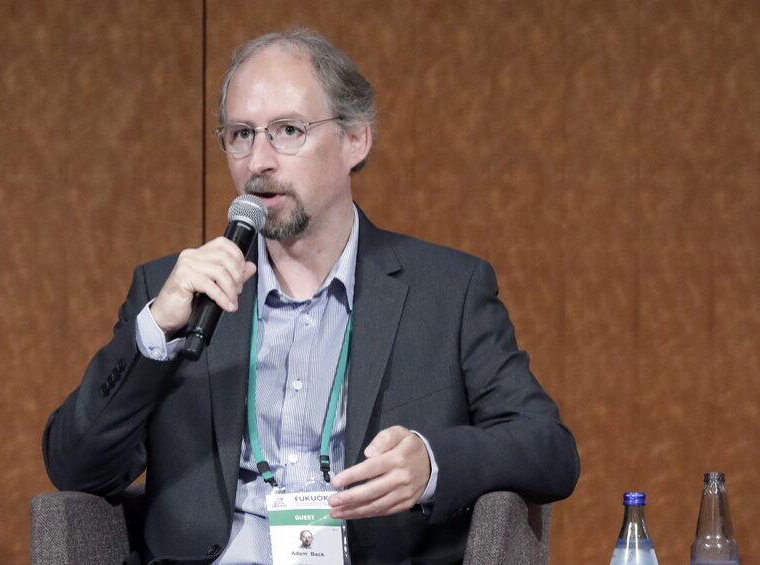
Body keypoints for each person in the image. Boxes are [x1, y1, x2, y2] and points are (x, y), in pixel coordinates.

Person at [42, 28, 579, 564]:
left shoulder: (447, 291)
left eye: (288, 131)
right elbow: (76, 469)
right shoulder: (178, 293)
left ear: (355, 140)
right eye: (241, 134)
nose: (258, 162)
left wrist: (431, 462)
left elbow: (549, 448)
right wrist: (155, 332)